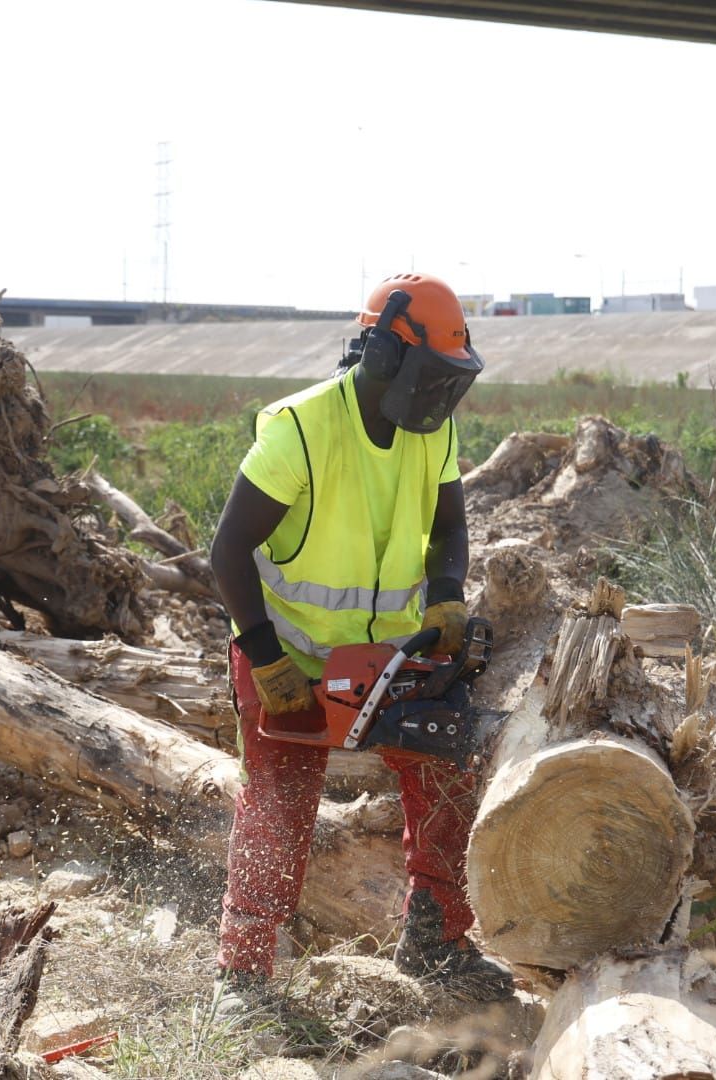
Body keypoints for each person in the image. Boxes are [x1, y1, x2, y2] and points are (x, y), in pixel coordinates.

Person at [208, 271, 512, 1014]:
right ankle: (242, 975)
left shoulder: (429, 428)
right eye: (432, 376)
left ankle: (436, 937)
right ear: (384, 352)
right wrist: (265, 657)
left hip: (390, 654)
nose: (441, 397)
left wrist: (444, 596)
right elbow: (227, 551)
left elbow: (449, 526)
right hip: (291, 654)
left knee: (445, 759)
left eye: (452, 380)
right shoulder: (300, 432)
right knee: (279, 799)